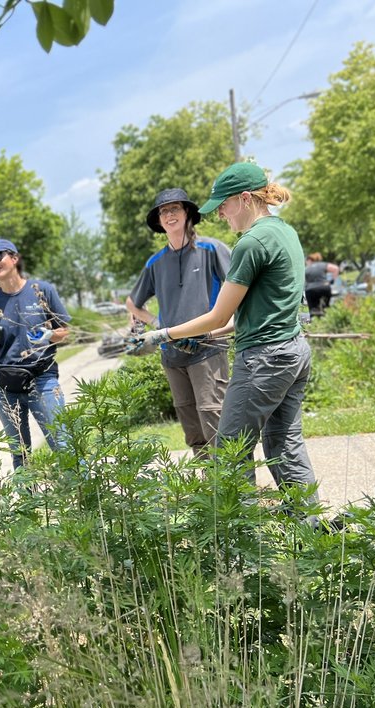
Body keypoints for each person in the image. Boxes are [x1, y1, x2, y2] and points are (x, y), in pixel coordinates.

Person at [128, 162, 316, 491]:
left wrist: (161, 334)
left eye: (224, 206)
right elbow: (247, 314)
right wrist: (203, 334)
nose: (221, 215)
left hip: (263, 358)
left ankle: (238, 536)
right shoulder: (284, 231)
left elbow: (218, 314)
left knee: (229, 451)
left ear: (245, 199)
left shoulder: (249, 243)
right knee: (284, 442)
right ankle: (309, 527)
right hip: (293, 351)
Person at [125, 188, 233, 457]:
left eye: (175, 209)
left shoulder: (212, 249)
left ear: (188, 214)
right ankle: (208, 487)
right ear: (159, 221)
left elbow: (238, 291)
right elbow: (132, 304)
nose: (169, 215)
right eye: (164, 211)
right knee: (192, 427)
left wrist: (219, 328)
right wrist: (159, 324)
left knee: (214, 419)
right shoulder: (155, 262)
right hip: (171, 355)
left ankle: (234, 487)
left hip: (208, 349)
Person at [0, 239, 71, 469]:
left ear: (14, 258)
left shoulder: (41, 290)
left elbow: (65, 331)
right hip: (5, 386)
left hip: (42, 380)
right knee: (20, 454)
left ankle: (83, 501)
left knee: (63, 444)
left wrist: (49, 336)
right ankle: (29, 503)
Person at [304, 252, 340, 317]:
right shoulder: (322, 265)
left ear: (310, 260)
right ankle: (326, 311)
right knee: (326, 307)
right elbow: (336, 268)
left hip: (311, 289)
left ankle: (314, 314)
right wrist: (332, 281)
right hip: (324, 287)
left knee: (313, 308)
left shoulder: (306, 269)